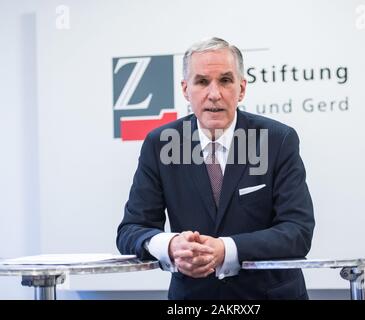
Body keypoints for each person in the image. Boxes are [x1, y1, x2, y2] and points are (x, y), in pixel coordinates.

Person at [116, 37, 315, 299]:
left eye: (225, 80)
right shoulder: (159, 144)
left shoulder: (277, 140)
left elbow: (297, 231)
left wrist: (226, 249)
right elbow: (131, 230)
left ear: (241, 89)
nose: (214, 94)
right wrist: (171, 245)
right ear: (186, 90)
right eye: (201, 82)